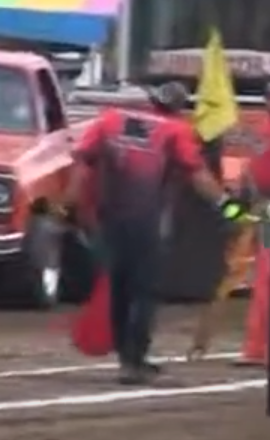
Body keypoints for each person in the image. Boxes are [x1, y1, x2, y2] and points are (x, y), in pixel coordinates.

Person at [68, 81, 247, 385]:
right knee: (143, 291)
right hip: (148, 222)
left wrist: (69, 205)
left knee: (119, 287)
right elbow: (198, 175)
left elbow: (82, 162)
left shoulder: (109, 120)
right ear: (178, 107)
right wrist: (228, 208)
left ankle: (127, 356)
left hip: (110, 218)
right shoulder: (175, 131)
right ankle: (134, 360)